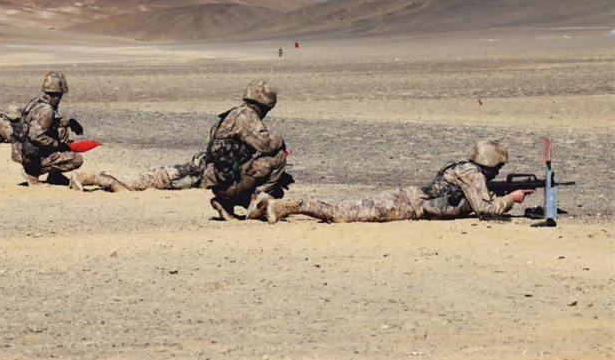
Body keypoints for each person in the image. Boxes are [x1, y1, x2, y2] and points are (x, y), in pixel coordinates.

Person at [265, 140, 534, 224]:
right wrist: (511, 199)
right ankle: (291, 205)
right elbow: (485, 210)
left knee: (343, 212)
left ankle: (264, 206)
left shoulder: (465, 169)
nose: (498, 172)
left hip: (407, 201)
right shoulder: (472, 174)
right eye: (498, 167)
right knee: (339, 214)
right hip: (404, 205)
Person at [198, 79, 291, 220]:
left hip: (218, 182)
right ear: (266, 105)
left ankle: (225, 203)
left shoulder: (230, 115)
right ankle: (258, 203)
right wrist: (280, 140)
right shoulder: (247, 116)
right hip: (230, 183)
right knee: (279, 156)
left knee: (277, 190)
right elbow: (266, 145)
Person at [11, 71, 84, 186]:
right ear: (57, 95)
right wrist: (58, 145)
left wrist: (69, 122)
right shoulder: (47, 110)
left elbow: (48, 123)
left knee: (62, 130)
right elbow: (36, 137)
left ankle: (55, 176)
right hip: (28, 153)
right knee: (76, 159)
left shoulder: (37, 102)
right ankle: (31, 173)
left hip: (22, 147)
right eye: (60, 96)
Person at [69, 151, 209, 192]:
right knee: (129, 185)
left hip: (173, 175)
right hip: (166, 177)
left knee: (128, 186)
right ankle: (89, 177)